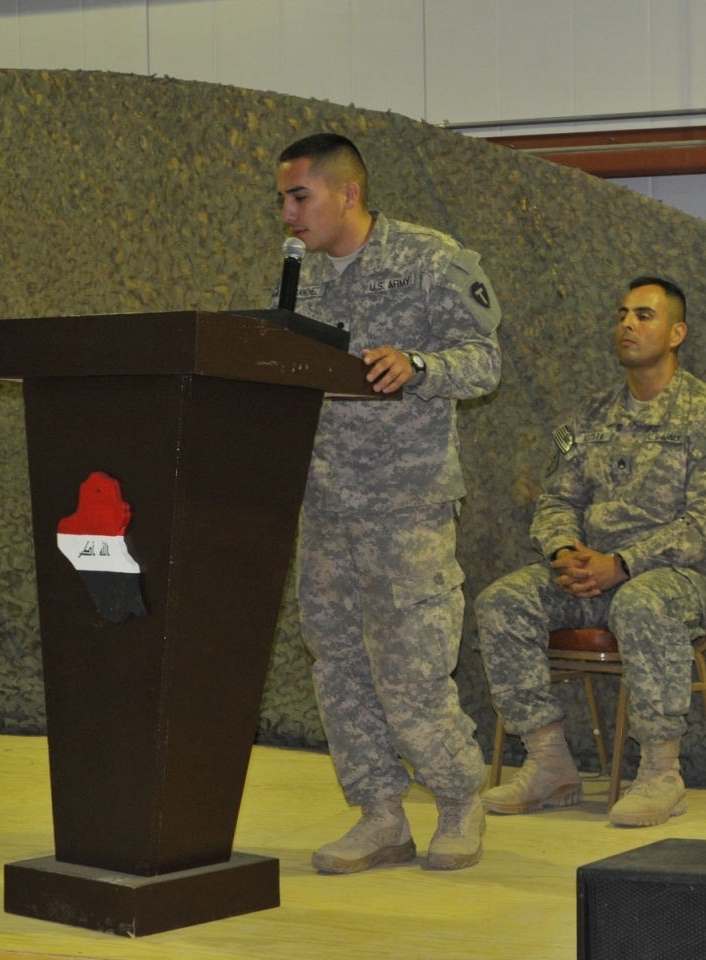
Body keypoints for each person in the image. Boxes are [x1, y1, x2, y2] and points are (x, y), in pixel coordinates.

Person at [274, 132, 502, 872]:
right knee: (337, 664)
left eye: (299, 196)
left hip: (406, 505)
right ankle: (380, 815)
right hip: (326, 505)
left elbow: (484, 360)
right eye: (282, 198)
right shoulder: (299, 277)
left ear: (348, 192)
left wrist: (420, 365)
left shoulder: (430, 258)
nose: (287, 213)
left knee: (409, 669)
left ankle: (460, 799)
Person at [475, 276, 706, 828]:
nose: (628, 324)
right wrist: (564, 549)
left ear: (677, 333)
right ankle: (550, 763)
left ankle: (660, 774)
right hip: (591, 574)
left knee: (641, 602)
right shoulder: (590, 417)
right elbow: (555, 498)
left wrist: (622, 565)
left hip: (682, 577)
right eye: (622, 313)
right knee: (501, 603)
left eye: (645, 316)